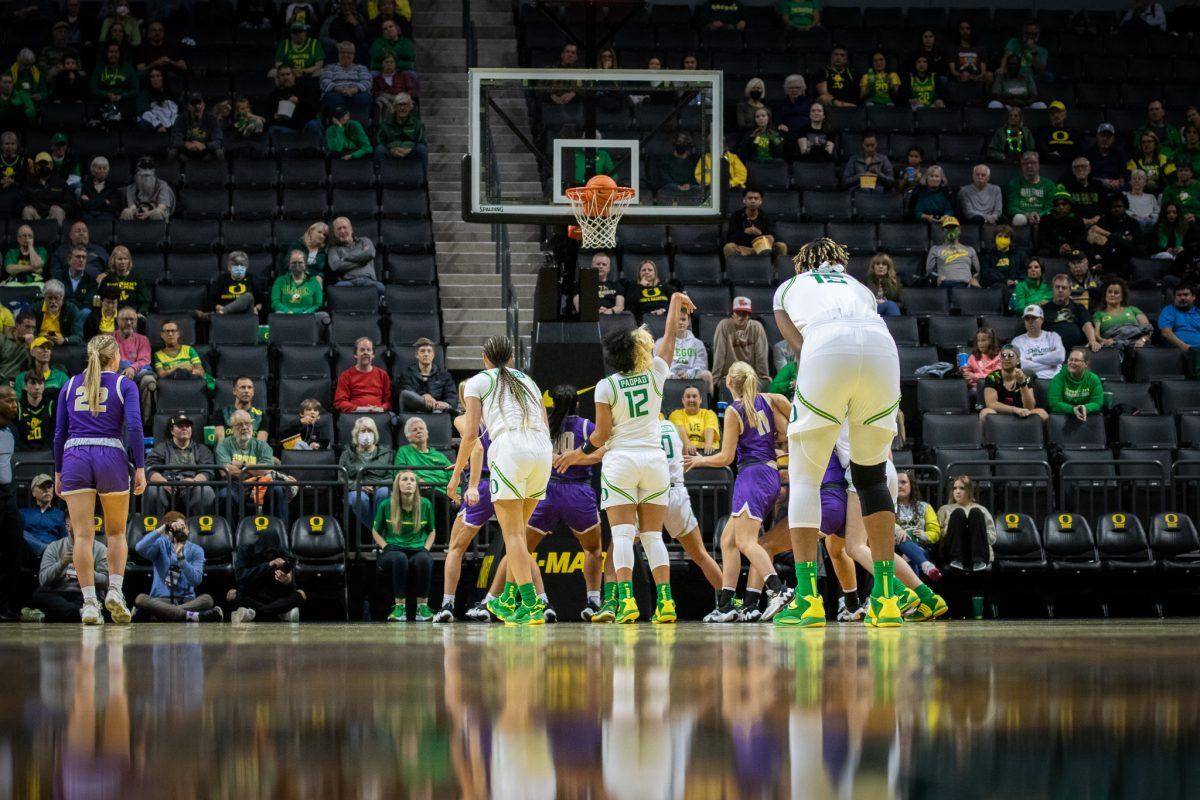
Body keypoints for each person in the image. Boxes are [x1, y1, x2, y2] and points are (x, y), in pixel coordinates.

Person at [771, 238, 903, 628]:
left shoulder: (789, 287)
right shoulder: (860, 288)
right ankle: (886, 598)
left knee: (806, 479)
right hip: (882, 349)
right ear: (839, 261)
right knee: (871, 476)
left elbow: (800, 347)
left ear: (803, 263)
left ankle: (809, 599)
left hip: (826, 345)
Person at [556, 292, 694, 625]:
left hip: (621, 461)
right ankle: (667, 604)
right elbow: (670, 338)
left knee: (620, 537)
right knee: (652, 538)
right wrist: (676, 301)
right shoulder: (656, 372)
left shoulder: (607, 386)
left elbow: (601, 436)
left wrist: (577, 454)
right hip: (654, 461)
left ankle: (627, 602)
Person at [455, 335, 552, 626]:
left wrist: (456, 473)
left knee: (513, 536)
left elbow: (471, 434)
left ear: (485, 357)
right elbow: (546, 423)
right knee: (519, 533)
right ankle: (509, 596)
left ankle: (531, 603)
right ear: (510, 358)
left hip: (511, 447)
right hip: (542, 448)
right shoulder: (529, 381)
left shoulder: (478, 381)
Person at [684, 361, 792, 622]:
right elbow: (787, 431)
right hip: (769, 473)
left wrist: (699, 460)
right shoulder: (768, 399)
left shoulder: (735, 410)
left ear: (729, 382)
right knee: (729, 541)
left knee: (745, 542)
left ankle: (779, 590)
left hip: (752, 475)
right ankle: (726, 605)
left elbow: (725, 457)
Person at [53, 334, 146, 624]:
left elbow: (59, 433)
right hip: (110, 454)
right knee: (116, 532)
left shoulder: (68, 385)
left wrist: (58, 471)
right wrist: (140, 466)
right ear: (115, 356)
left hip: (75, 455)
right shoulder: (124, 384)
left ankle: (90, 603)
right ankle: (115, 592)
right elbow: (135, 426)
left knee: (82, 535)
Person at [516, 385, 606, 619]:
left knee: (521, 549)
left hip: (547, 491)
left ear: (552, 405)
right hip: (578, 493)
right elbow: (604, 451)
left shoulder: (543, 427)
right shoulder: (587, 426)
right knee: (593, 549)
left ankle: (540, 601)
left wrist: (553, 459)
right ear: (577, 403)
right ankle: (593, 602)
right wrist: (577, 459)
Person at [132, 511, 221, 622]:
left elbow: (196, 580)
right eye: (176, 529)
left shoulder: (196, 550)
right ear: (167, 532)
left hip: (186, 600)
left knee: (207, 600)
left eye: (183, 527)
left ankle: (165, 614)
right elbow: (139, 548)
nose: (180, 531)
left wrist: (181, 558)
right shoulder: (161, 544)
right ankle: (193, 616)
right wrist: (162, 529)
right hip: (161, 600)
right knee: (141, 599)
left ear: (188, 530)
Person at [216, 409, 293, 530]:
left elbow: (266, 470)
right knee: (225, 496)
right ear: (232, 428)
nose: (245, 427)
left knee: (278, 490)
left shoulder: (262, 446)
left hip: (262, 483)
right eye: (240, 424)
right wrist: (255, 468)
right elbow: (225, 471)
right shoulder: (224, 445)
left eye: (248, 424)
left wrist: (243, 465)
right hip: (236, 484)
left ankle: (280, 536)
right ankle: (230, 539)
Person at [373, 470, 435, 621]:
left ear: (416, 485)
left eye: (412, 480)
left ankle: (422, 608)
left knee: (424, 560)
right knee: (399, 558)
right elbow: (375, 531)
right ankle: (400, 608)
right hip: (393, 549)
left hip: (417, 549)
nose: (409, 483)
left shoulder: (425, 504)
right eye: (405, 480)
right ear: (397, 484)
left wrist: (426, 549)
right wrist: (385, 546)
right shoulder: (386, 504)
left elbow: (432, 531)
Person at [23, 528, 108, 622]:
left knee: (99, 603)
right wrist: (61, 564)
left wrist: (85, 572)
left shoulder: (100, 548)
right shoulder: (54, 547)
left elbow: (106, 581)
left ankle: (47, 617)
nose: (80, 524)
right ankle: (82, 613)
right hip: (59, 593)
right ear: (67, 525)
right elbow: (43, 580)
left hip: (86, 596)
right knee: (39, 594)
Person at [229, 520, 305, 623]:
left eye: (272, 552)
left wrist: (288, 581)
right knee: (233, 595)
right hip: (253, 596)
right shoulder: (246, 550)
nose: (269, 555)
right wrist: (269, 565)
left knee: (300, 594)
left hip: (275, 598)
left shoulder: (283, 554)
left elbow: (292, 589)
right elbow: (241, 577)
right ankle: (281, 614)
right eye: (266, 552)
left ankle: (254, 614)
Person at [144, 414, 216, 516]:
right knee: (152, 491)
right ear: (172, 431)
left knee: (206, 492)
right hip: (167, 486)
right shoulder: (161, 448)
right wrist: (164, 482)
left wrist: (194, 481)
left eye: (187, 426)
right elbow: (150, 469)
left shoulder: (202, 450)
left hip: (192, 486)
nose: (184, 428)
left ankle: (202, 528)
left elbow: (208, 471)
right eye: (180, 426)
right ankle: (152, 528)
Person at [341, 416, 395, 532]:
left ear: (375, 433)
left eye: (370, 431)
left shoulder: (386, 453)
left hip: (379, 487)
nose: (366, 434)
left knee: (384, 492)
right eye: (363, 431)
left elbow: (391, 477)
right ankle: (380, 534)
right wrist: (359, 486)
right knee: (358, 498)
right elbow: (341, 478)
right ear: (356, 433)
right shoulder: (347, 454)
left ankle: (379, 537)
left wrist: (375, 485)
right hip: (355, 490)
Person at [980, 343, 1049, 427]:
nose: (1006, 358)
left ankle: (1047, 440)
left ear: (1018, 360)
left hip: (1022, 414)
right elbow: (991, 404)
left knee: (1042, 413)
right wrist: (1015, 410)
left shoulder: (1025, 378)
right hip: (999, 413)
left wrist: (1022, 384)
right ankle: (985, 440)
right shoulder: (993, 377)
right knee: (985, 413)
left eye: (1011, 355)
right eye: (1003, 355)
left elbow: (1030, 407)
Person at [937, 476, 996, 572]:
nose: (957, 491)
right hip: (953, 553)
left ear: (969, 490)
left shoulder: (981, 510)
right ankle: (957, 559)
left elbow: (993, 538)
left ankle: (978, 561)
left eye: (962, 488)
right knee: (958, 513)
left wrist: (978, 533)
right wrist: (950, 528)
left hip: (978, 552)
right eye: (955, 488)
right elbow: (937, 536)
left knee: (975, 512)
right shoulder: (944, 509)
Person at [894, 470, 942, 581]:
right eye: (896, 483)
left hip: (921, 548)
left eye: (903, 482)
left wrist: (923, 534)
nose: (900, 486)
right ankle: (926, 566)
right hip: (895, 547)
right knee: (904, 538)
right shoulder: (889, 507)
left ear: (911, 485)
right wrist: (899, 531)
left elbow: (935, 533)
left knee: (908, 555)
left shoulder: (925, 507)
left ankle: (913, 595)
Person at [712, 296, 769, 382]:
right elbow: (719, 355)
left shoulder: (756, 327)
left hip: (750, 376)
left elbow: (761, 356)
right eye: (738, 313)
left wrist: (763, 378)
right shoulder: (724, 325)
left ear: (749, 315)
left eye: (744, 314)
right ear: (732, 313)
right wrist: (715, 379)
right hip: (729, 376)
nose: (740, 317)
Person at [113, 306, 155, 419]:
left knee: (149, 379)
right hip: (117, 373)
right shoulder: (109, 338)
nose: (129, 322)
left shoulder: (143, 339)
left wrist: (132, 368)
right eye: (125, 319)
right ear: (117, 320)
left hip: (138, 373)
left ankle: (145, 423)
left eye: (132, 319)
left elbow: (145, 360)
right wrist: (125, 368)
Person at [723, 187, 787, 262]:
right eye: (750, 198)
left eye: (756, 198)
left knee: (781, 246)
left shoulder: (765, 217)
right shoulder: (736, 216)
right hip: (742, 248)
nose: (753, 201)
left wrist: (771, 238)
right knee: (729, 247)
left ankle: (775, 271)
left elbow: (773, 235)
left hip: (762, 248)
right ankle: (733, 270)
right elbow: (730, 238)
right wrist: (744, 232)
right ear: (744, 200)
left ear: (760, 201)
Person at [1042, 273, 1102, 352]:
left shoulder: (1078, 307)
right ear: (1053, 290)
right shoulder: (1043, 309)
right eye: (1057, 287)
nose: (1060, 290)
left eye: (1064, 288)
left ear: (1070, 291)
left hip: (1076, 350)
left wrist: (1092, 341)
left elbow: (1087, 324)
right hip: (1051, 351)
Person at [397, 337, 457, 413]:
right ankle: (434, 408)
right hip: (415, 410)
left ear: (433, 355)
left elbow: (451, 395)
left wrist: (446, 404)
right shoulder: (407, 373)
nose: (426, 354)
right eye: (422, 351)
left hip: (438, 410)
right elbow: (406, 392)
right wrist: (424, 396)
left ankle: (434, 408)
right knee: (405, 394)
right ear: (417, 355)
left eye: (429, 351)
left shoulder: (444, 375)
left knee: (443, 410)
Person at [1093, 278, 1153, 352]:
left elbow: (1147, 329)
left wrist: (1142, 340)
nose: (1112, 294)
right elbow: (1097, 335)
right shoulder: (1099, 314)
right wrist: (1105, 341)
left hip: (1137, 343)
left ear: (1122, 297)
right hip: (1113, 344)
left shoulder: (1133, 309)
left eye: (1116, 292)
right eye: (1109, 292)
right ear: (1105, 294)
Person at [335, 337, 391, 413]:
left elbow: (388, 401)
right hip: (354, 415)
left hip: (378, 415)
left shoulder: (383, 375)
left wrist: (381, 408)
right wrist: (362, 409)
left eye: (368, 350)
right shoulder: (346, 375)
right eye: (362, 350)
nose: (366, 352)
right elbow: (340, 402)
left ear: (373, 355)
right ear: (355, 354)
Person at [328, 216, 383, 293]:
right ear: (335, 233)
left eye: (345, 227)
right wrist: (363, 260)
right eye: (339, 229)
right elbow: (336, 266)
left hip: (368, 280)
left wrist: (346, 257)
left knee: (380, 288)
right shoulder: (333, 249)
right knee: (338, 288)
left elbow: (370, 254)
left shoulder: (364, 241)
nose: (342, 231)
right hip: (347, 281)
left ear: (351, 229)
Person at [1048, 347, 1105, 421]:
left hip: (1086, 418)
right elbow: (1054, 403)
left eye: (1076, 360)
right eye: (1070, 359)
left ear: (1085, 364)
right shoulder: (1059, 378)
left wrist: (1085, 408)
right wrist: (1073, 409)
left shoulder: (1093, 379)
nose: (1072, 363)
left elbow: (1097, 403)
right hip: (1063, 418)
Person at [926, 216, 981, 290]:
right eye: (948, 228)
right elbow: (929, 271)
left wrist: (975, 279)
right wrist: (937, 277)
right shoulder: (935, 249)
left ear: (959, 230)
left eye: (954, 228)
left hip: (966, 285)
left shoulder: (970, 249)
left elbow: (978, 271)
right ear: (943, 231)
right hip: (946, 284)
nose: (951, 230)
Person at [1012, 304, 1066, 379]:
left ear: (1042, 319)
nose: (1030, 321)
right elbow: (1023, 366)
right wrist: (1052, 362)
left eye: (1034, 318)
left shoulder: (1053, 336)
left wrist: (1033, 359)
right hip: (1033, 380)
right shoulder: (1017, 341)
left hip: (1055, 379)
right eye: (1027, 318)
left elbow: (1060, 357)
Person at [374, 92, 426, 170]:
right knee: (379, 149)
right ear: (394, 107)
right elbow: (379, 141)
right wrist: (391, 149)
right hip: (391, 151)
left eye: (405, 105)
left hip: (410, 151)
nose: (402, 108)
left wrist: (409, 149)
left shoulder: (418, 124)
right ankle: (377, 177)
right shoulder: (385, 124)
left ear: (410, 107)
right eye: (399, 105)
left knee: (422, 148)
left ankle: (424, 178)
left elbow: (422, 141)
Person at [271, 252, 327, 322]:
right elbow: (275, 302)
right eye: (293, 263)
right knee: (277, 314)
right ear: (289, 265)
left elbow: (318, 304)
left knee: (323, 315)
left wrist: (307, 313)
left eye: (300, 262)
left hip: (308, 317)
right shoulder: (280, 281)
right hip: (286, 316)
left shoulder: (314, 282)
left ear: (305, 264)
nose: (297, 265)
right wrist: (288, 312)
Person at [21, 473, 66, 559]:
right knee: (18, 531)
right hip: (29, 553)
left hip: (52, 554)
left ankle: (46, 550)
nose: (47, 490)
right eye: (42, 487)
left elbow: (65, 539)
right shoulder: (23, 513)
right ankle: (44, 549)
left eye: (49, 487)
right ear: (33, 492)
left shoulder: (60, 515)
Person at [1006, 151, 1056, 226]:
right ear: (1022, 166)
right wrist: (1028, 215)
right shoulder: (1014, 183)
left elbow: (1050, 207)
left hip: (1043, 217)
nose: (1029, 165)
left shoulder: (1049, 184)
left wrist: (1039, 215)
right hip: (1023, 216)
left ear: (1039, 164)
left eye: (1033, 162)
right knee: (1019, 218)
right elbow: (1012, 208)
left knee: (1051, 217)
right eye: (1025, 163)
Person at [320, 42, 371, 114]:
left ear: (354, 55)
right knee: (332, 97)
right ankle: (338, 122)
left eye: (349, 53)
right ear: (338, 54)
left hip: (356, 93)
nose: (346, 55)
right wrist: (341, 90)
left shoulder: (361, 68)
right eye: (343, 52)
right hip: (336, 93)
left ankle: (355, 123)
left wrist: (353, 90)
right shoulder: (330, 67)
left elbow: (367, 82)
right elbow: (324, 82)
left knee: (364, 97)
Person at [169, 92, 223, 161]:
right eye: (193, 104)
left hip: (206, 154)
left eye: (199, 103)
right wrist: (186, 144)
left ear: (204, 105)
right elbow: (174, 140)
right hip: (186, 154)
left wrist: (205, 145)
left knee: (219, 152)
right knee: (172, 151)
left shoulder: (212, 119)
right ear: (188, 107)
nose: (196, 106)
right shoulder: (181, 119)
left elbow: (218, 141)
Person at [21, 151, 73, 223]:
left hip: (53, 215)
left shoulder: (61, 183)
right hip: (36, 214)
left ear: (51, 165)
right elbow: (21, 201)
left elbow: (69, 202)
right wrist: (29, 206)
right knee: (27, 210)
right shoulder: (29, 184)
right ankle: (29, 234)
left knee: (58, 211)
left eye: (45, 164)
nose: (43, 167)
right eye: (40, 164)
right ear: (36, 166)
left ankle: (58, 234)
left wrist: (61, 207)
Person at [213, 376, 268, 442]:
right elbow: (220, 442)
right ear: (234, 391)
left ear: (253, 392)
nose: (246, 391)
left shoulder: (261, 416)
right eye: (242, 387)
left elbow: (260, 445)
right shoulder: (221, 413)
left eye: (249, 387)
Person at [668, 385, 719, 455]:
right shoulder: (675, 414)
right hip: (684, 451)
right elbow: (680, 430)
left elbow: (709, 428)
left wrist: (708, 444)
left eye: (694, 396)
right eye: (688, 397)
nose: (691, 400)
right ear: (683, 400)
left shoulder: (709, 414)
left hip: (706, 451)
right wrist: (688, 444)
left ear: (700, 400)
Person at [1158, 285, 1200, 367]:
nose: (1182, 298)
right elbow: (1166, 333)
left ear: (1193, 297)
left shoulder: (1198, 312)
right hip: (1179, 351)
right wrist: (1185, 347)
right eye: (1179, 295)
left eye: (1186, 294)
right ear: (1174, 297)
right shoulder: (1168, 310)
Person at [572, 251, 625, 315]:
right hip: (589, 318)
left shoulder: (617, 285)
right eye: (598, 264)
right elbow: (579, 307)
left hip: (611, 318)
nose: (601, 266)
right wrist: (595, 312)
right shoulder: (581, 284)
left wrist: (610, 311)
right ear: (592, 266)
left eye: (604, 264)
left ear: (609, 268)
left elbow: (620, 306)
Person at [33, 280, 83, 345]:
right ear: (44, 297)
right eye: (50, 298)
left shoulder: (72, 309)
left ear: (62, 298)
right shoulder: (35, 308)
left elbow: (78, 336)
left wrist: (65, 340)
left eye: (56, 298)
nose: (53, 301)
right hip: (40, 344)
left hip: (63, 346)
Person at [980, 224, 1028, 289]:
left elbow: (1026, 270)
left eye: (1006, 237)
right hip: (997, 287)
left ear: (1011, 240)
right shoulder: (988, 255)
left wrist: (1018, 280)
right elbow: (987, 272)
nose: (1002, 239)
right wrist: (1005, 280)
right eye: (999, 236)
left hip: (1017, 285)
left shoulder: (1020, 254)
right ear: (995, 239)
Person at [625, 259, 673, 323]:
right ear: (639, 273)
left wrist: (663, 310)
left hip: (665, 318)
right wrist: (640, 286)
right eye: (643, 270)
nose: (646, 272)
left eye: (650, 270)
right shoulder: (634, 287)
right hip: (644, 320)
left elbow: (675, 303)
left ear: (655, 273)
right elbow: (630, 306)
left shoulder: (664, 286)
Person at [1083, 123, 1128, 192]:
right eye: (1102, 135)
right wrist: (1101, 182)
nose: (1105, 139)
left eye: (1108, 136)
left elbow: (1124, 173)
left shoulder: (1119, 153)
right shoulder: (1088, 153)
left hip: (1115, 187)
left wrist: (1119, 181)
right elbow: (1084, 175)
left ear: (1113, 139)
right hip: (1094, 187)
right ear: (1097, 136)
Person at [948, 18, 991, 86]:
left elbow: (983, 71)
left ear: (971, 30)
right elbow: (953, 72)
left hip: (977, 77)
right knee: (965, 75)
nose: (965, 31)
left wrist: (978, 77)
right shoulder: (953, 48)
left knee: (989, 75)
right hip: (961, 76)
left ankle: (987, 96)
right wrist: (966, 76)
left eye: (967, 28)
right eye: (962, 29)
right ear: (958, 31)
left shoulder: (980, 48)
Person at [78, 156, 123, 222]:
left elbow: (114, 207)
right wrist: (104, 201)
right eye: (99, 168)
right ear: (93, 170)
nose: (102, 171)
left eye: (104, 168)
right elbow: (84, 205)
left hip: (106, 216)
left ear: (108, 170)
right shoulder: (86, 185)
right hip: (89, 216)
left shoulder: (112, 187)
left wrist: (92, 201)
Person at [17, 372, 54, 450]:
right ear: (25, 386)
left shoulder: (52, 405)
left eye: (40, 383)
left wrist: (46, 449)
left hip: (47, 451)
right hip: (23, 453)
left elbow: (54, 433)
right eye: (33, 383)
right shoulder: (18, 406)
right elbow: (16, 435)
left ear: (44, 386)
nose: (37, 387)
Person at [963, 327, 1001, 392]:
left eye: (983, 340)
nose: (980, 343)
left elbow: (996, 376)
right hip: (974, 388)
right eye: (978, 340)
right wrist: (963, 370)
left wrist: (975, 376)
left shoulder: (999, 356)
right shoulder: (973, 356)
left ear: (991, 341)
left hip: (992, 388)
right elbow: (967, 372)